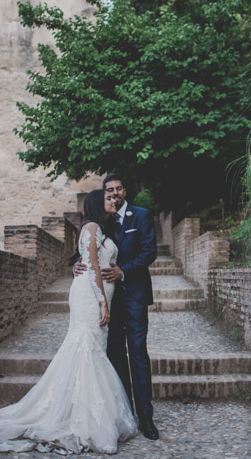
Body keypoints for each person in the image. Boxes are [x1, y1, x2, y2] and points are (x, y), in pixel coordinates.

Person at [0, 189, 137, 454]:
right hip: (89, 296)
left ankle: (81, 409)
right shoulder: (92, 228)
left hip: (97, 292)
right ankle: (82, 417)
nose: (113, 200)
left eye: (114, 198)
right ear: (96, 204)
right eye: (108, 198)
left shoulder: (101, 228)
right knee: (85, 347)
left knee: (91, 348)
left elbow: (86, 261)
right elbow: (93, 266)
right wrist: (102, 302)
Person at [73, 174, 159, 440]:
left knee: (137, 354)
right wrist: (75, 264)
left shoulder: (141, 215)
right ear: (105, 194)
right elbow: (91, 252)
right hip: (109, 300)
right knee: (115, 355)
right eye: (109, 190)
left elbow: (149, 252)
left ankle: (146, 418)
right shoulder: (103, 221)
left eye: (118, 189)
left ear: (125, 190)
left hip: (133, 295)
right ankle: (124, 412)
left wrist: (124, 272)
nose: (114, 194)